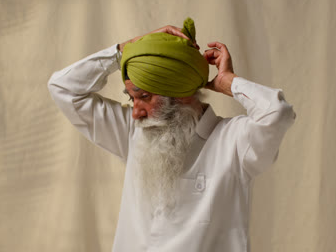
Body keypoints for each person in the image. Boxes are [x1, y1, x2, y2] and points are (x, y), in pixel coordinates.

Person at [48, 18, 296, 252]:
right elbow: (62, 88)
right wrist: (125, 50)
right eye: (131, 98)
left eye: (144, 97)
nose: (135, 112)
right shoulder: (133, 133)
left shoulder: (235, 143)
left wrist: (229, 82)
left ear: (180, 93)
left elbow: (276, 113)